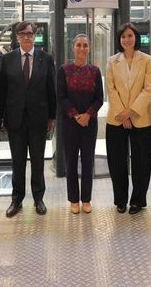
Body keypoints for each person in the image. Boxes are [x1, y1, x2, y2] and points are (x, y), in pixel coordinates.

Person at [0, 21, 57, 217]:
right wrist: (2, 118)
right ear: (17, 37)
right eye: (22, 34)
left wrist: (52, 117)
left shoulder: (46, 59)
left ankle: (38, 198)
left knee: (38, 162)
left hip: (38, 119)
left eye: (29, 34)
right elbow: (2, 92)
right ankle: (17, 199)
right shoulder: (7, 59)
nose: (26, 37)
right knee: (18, 162)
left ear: (35, 36)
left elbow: (51, 90)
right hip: (15, 119)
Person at [105, 23, 151, 214]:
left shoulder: (147, 60)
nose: (126, 39)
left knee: (142, 161)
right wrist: (122, 114)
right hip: (116, 119)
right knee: (117, 161)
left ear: (136, 38)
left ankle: (138, 201)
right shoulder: (112, 61)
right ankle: (120, 200)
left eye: (130, 36)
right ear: (119, 40)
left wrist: (131, 112)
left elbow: (148, 89)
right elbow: (111, 89)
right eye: (123, 36)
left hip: (140, 119)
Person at [58, 34, 104, 214]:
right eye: (79, 45)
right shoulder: (64, 70)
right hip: (70, 123)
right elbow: (61, 97)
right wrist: (76, 115)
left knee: (87, 161)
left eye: (85, 45)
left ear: (89, 48)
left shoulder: (95, 71)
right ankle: (73, 200)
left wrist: (88, 115)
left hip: (89, 124)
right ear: (73, 47)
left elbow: (99, 98)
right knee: (70, 162)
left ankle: (86, 199)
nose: (82, 48)